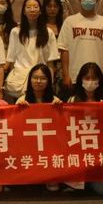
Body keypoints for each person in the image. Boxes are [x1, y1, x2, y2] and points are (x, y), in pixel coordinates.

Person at [57, 0, 103, 97]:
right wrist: (66, 75)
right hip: (74, 78)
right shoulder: (70, 21)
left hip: (97, 78)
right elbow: (64, 50)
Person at [14, 64, 61, 192]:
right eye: (35, 77)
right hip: (28, 142)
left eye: (43, 78)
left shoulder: (55, 100)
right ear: (30, 79)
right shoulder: (22, 100)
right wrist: (19, 110)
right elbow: (16, 127)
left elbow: (61, 127)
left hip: (49, 143)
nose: (38, 81)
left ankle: (51, 176)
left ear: (49, 81)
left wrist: (59, 110)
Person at [66, 62, 103, 195]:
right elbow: (66, 127)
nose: (90, 81)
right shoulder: (72, 100)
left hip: (98, 151)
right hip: (78, 149)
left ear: (99, 80)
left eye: (94, 78)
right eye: (87, 78)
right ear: (81, 79)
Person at [5, 0, 60, 103]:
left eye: (35, 7)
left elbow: (50, 63)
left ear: (40, 11)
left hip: (40, 81)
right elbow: (12, 60)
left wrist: (50, 84)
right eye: (29, 7)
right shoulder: (15, 32)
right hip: (20, 82)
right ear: (24, 11)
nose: (32, 10)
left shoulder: (48, 33)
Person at [42, 0, 65, 99]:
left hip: (61, 65)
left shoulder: (64, 26)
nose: (52, 9)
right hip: (45, 62)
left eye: (55, 6)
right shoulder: (40, 27)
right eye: (49, 6)